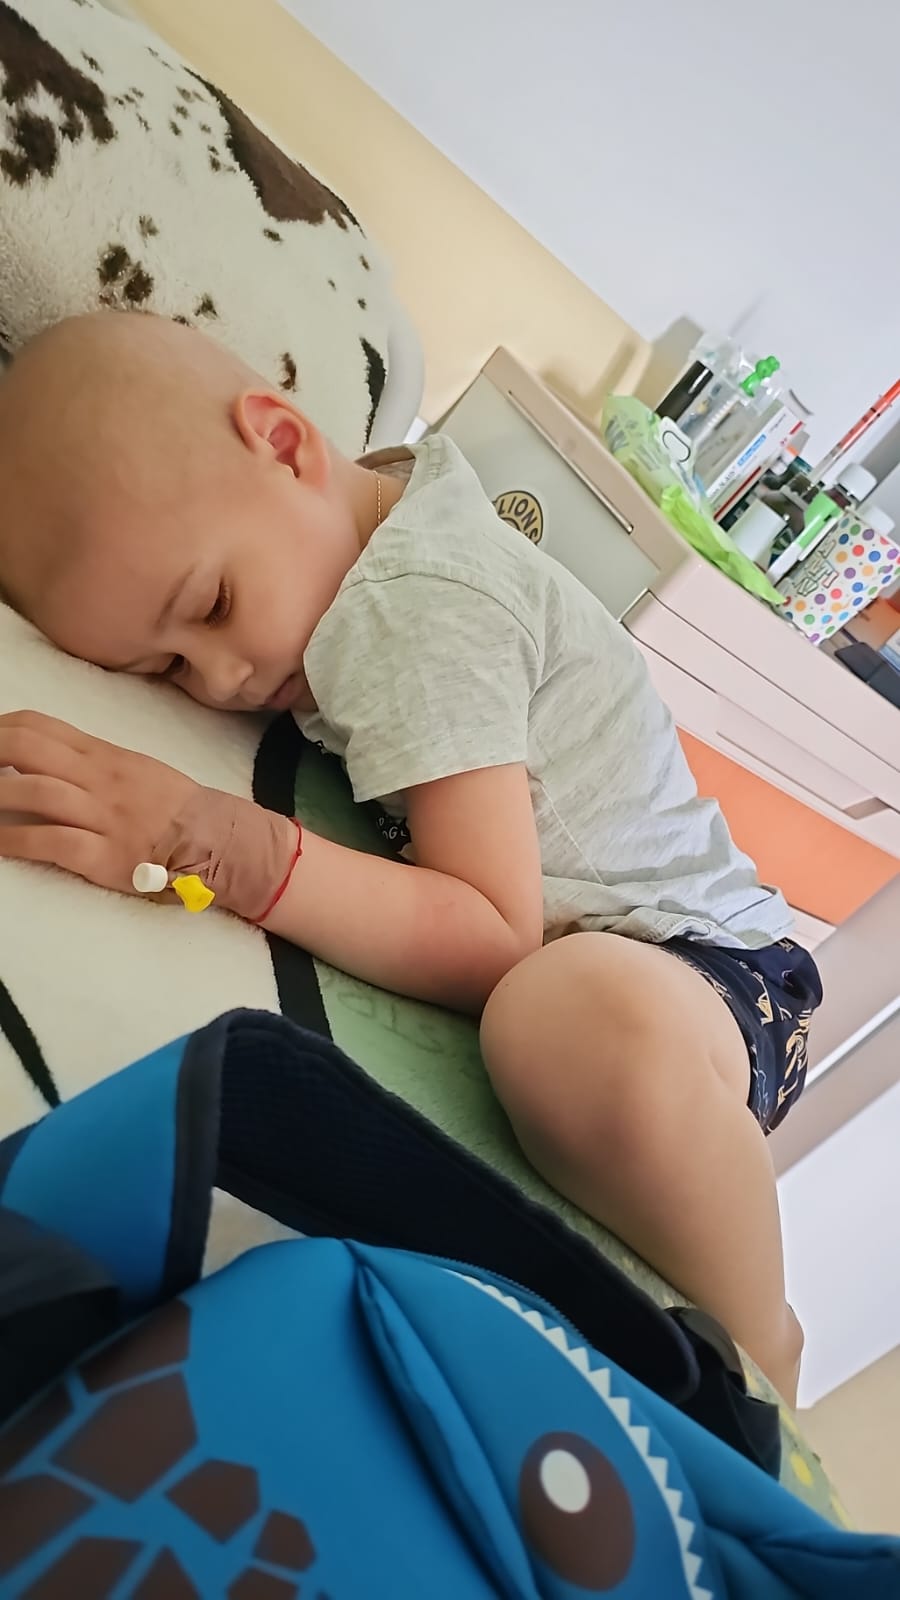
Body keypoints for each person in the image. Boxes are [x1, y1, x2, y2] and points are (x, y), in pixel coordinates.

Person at [0, 313, 820, 1401]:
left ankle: (761, 1360)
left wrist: (217, 843)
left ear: (284, 442)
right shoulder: (374, 520)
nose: (224, 676)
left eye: (212, 606)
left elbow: (490, 934)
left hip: (706, 971)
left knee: (552, 1019)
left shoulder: (413, 602)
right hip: (692, 967)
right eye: (166, 668)